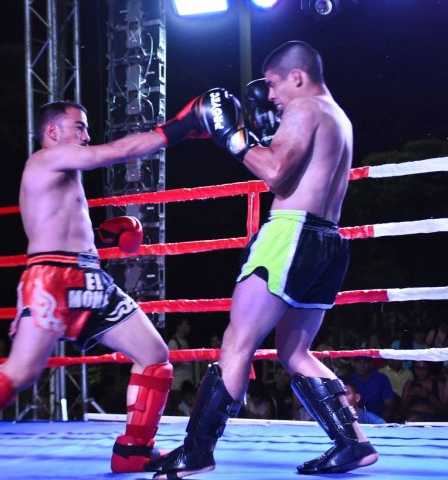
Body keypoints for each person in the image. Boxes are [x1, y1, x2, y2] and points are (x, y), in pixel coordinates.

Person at [0, 98, 209, 479]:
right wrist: (179, 126)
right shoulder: (45, 160)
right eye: (80, 127)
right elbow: (116, 152)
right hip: (52, 278)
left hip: (91, 279)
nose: (87, 135)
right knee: (18, 375)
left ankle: (133, 450)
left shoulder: (66, 171)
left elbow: (64, 222)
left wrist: (105, 236)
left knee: (155, 355)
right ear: (53, 132)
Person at [147, 41, 377, 478]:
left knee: (237, 342)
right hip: (328, 240)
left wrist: (232, 137)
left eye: (273, 84)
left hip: (291, 233)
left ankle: (197, 451)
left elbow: (274, 172)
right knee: (294, 351)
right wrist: (266, 138)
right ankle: (353, 442)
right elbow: (297, 171)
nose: (270, 95)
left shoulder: (305, 107)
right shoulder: (338, 117)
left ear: (297, 77)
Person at [348, 356, 396, 422]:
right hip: (356, 420)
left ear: (370, 364)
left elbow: (389, 406)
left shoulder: (381, 378)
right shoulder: (349, 380)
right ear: (353, 363)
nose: (362, 365)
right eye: (358, 361)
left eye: (365, 362)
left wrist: (379, 424)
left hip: (379, 419)